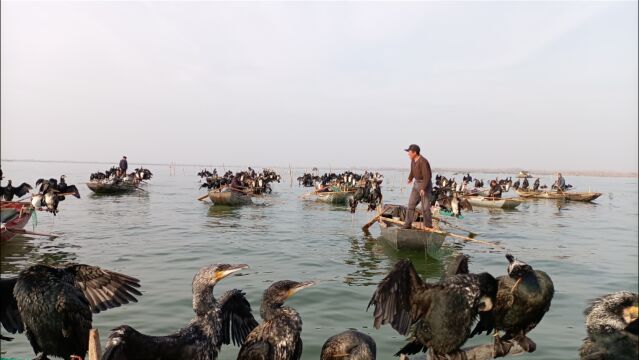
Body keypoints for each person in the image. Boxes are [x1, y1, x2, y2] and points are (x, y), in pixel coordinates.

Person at [403, 144, 432, 229]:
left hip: (425, 185)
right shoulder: (413, 160)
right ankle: (407, 224)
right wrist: (410, 178)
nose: (408, 154)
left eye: (409, 152)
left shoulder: (423, 161)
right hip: (416, 185)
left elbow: (427, 176)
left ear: (415, 152)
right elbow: (412, 171)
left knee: (425, 207)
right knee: (410, 205)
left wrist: (423, 188)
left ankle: (428, 226)